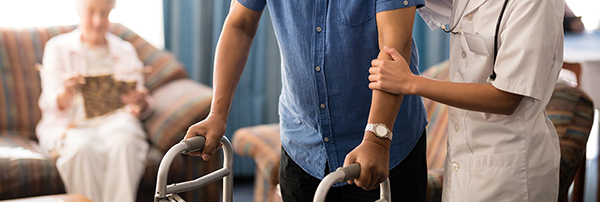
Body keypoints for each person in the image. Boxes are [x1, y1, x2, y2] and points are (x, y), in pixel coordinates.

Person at [184, 0, 428, 201]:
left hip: (385, 147)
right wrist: (217, 113)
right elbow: (239, 25)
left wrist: (377, 140)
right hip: (303, 147)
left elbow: (394, 47)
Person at [368, 0, 563, 201]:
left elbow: (507, 98)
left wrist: (411, 83)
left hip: (513, 169)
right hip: (462, 165)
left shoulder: (538, 3)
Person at [36, 0, 153, 201]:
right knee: (82, 148)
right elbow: (49, 102)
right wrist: (67, 91)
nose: (98, 22)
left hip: (115, 123)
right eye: (91, 13)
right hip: (71, 125)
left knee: (125, 140)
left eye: (104, 14)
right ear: (79, 11)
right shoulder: (57, 47)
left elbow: (138, 101)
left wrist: (139, 103)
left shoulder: (125, 50)